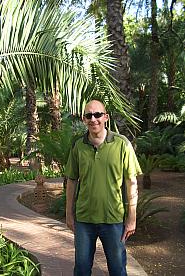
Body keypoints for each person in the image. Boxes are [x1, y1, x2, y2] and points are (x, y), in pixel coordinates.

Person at [65, 100, 142, 276]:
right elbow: (71, 181)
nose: (93, 119)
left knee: (117, 269)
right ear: (84, 119)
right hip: (84, 220)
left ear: (105, 117)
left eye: (97, 114)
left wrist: (132, 217)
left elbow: (132, 182)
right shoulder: (78, 146)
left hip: (113, 219)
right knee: (82, 269)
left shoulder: (122, 144)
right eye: (88, 115)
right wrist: (69, 214)